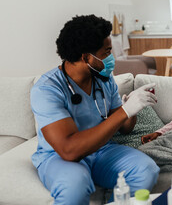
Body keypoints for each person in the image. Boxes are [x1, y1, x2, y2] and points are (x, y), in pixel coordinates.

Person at [30, 15, 160, 204]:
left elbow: (125, 128)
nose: (112, 57)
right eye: (107, 51)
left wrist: (131, 108)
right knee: (75, 185)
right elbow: (68, 150)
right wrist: (124, 112)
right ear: (86, 57)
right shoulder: (47, 89)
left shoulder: (104, 80)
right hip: (59, 157)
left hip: (102, 150)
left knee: (146, 170)